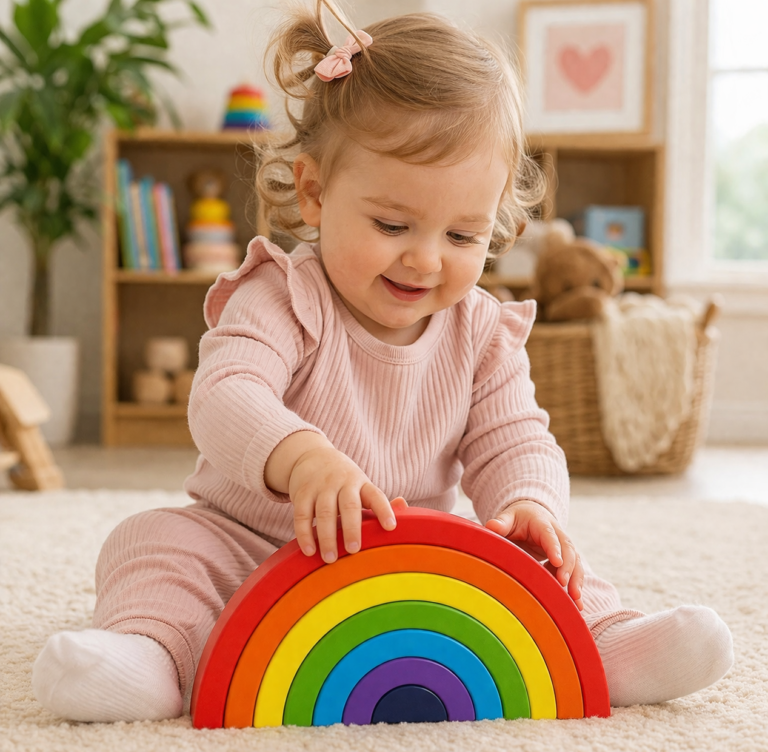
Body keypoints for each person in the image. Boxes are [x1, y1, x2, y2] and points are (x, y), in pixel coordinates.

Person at [32, 1, 733, 724]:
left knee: (547, 559)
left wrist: (529, 507)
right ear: (314, 191)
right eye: (392, 224)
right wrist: (301, 458)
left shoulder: (482, 329)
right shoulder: (282, 293)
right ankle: (151, 655)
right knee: (153, 543)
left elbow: (516, 437)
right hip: (251, 543)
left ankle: (601, 644)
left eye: (464, 234)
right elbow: (224, 394)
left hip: (414, 561)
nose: (425, 259)